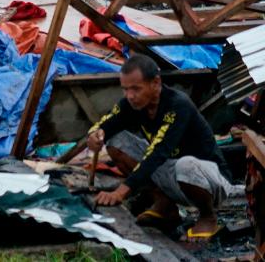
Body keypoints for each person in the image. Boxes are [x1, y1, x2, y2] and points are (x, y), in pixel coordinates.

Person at [86, 54, 234, 239]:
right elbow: (107, 122)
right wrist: (95, 135)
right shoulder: (132, 105)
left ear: (155, 83)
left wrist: (121, 192)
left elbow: (159, 151)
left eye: (136, 89)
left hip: (211, 180)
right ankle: (164, 205)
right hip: (172, 172)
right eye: (125, 89)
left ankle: (207, 216)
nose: (129, 96)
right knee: (116, 141)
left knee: (184, 165)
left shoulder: (178, 105)